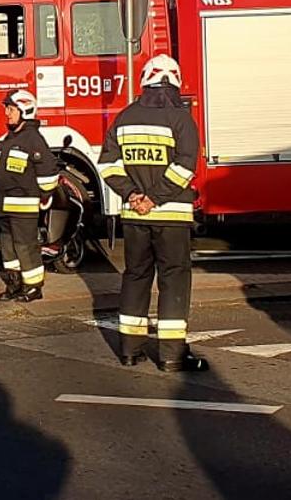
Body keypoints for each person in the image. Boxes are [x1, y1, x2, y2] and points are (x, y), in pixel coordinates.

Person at [98, 54, 207, 372]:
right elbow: (186, 166)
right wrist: (155, 198)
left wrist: (133, 195)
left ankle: (130, 350)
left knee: (135, 277)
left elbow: (108, 165)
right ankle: (172, 356)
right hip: (171, 215)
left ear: (144, 80)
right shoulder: (181, 118)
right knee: (173, 280)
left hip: (135, 217)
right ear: (175, 81)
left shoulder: (124, 117)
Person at [0, 90, 58, 302]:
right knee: (8, 249)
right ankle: (14, 284)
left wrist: (44, 196)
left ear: (24, 110)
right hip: (3, 206)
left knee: (26, 247)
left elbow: (49, 172)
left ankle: (34, 287)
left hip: (23, 206)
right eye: (7, 108)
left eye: (11, 109)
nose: (7, 113)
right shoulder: (10, 138)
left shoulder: (33, 139)